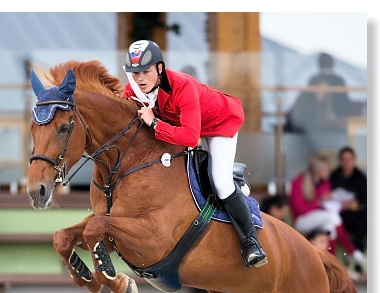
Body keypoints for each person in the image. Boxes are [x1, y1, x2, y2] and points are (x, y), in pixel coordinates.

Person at [122, 39, 267, 269]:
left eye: (146, 71)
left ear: (160, 68)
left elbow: (191, 137)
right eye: (135, 72)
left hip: (220, 125)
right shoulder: (133, 91)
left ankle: (251, 243)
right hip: (190, 128)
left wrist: (155, 124)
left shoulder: (182, 86)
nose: (140, 79)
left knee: (220, 182)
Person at [289, 153, 366, 267]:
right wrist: (318, 202)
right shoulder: (299, 182)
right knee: (331, 217)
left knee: (330, 227)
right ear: (319, 170)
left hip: (321, 219)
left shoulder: (324, 183)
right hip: (302, 221)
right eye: (327, 169)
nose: (329, 172)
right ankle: (351, 251)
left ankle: (330, 265)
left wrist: (342, 205)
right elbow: (300, 209)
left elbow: (330, 207)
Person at [285, 52, 353, 135]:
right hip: (314, 121)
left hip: (331, 121)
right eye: (319, 89)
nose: (322, 91)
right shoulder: (317, 81)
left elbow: (344, 103)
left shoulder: (334, 81)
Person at [330, 146, 367, 253]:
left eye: (349, 159)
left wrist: (353, 204)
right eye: (344, 159)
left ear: (354, 160)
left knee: (362, 219)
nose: (347, 162)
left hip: (355, 212)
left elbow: (364, 199)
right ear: (340, 161)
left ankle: (358, 252)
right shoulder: (334, 176)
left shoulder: (360, 177)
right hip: (338, 212)